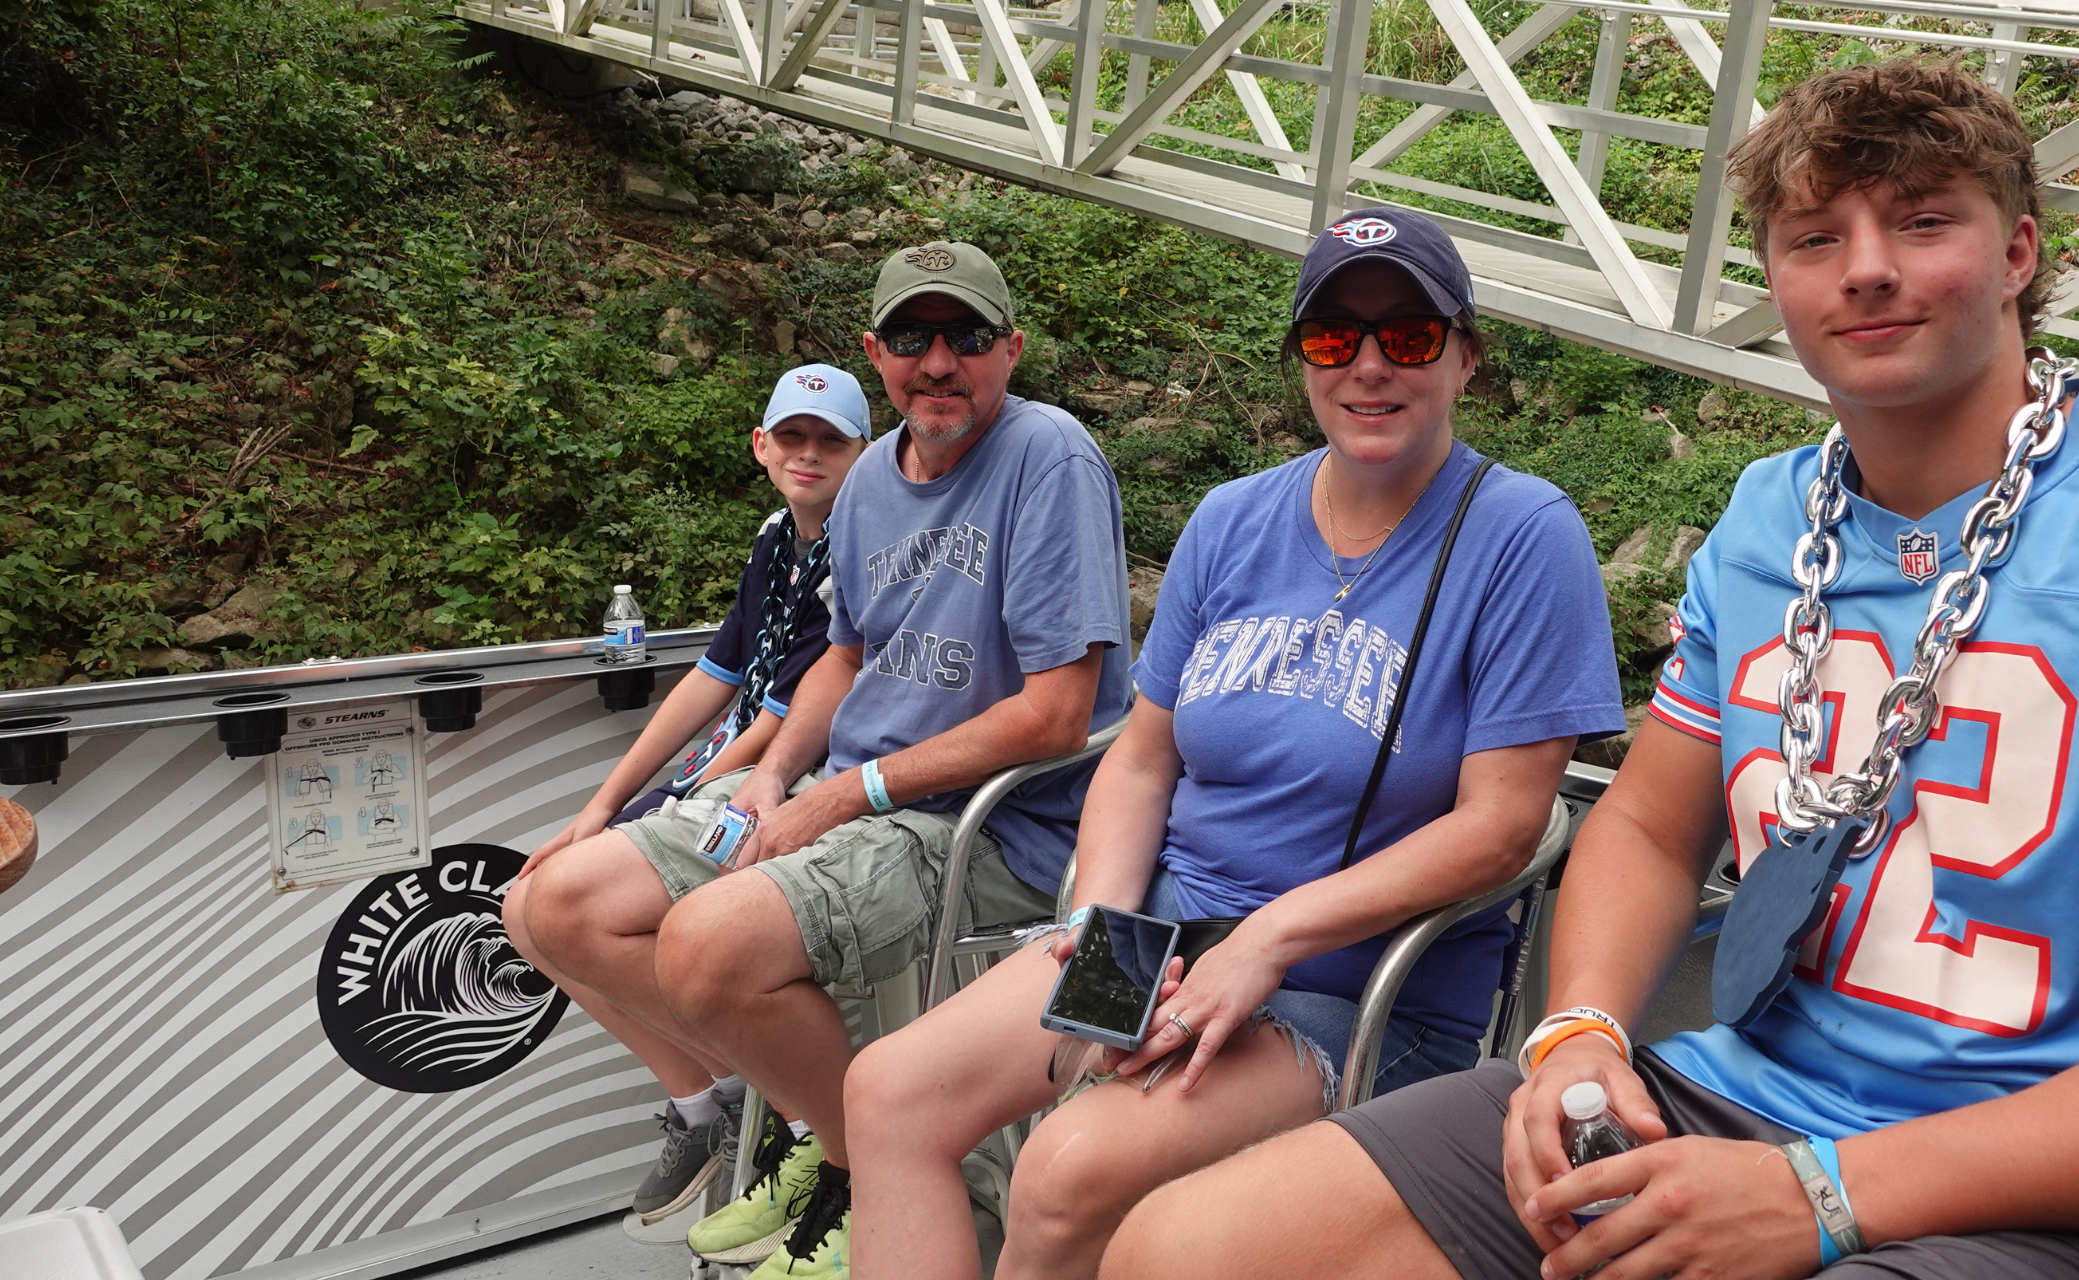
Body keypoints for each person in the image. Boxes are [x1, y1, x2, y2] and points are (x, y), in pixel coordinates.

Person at [1107, 60, 2079, 1280]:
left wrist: (1825, 1195)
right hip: (1739, 1101)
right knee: (1181, 1249)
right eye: (1816, 238)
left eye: (1922, 222)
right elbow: (1652, 829)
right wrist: (1579, 1034)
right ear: (1775, 278)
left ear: (2018, 254)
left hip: (2054, 1195)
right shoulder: (1771, 522)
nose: (1871, 272)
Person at [832, 207, 1625, 1280]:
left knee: (1065, 1163)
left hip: (1358, 986)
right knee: (887, 1090)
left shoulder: (1524, 534)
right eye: (1335, 338)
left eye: (1411, 336)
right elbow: (1144, 756)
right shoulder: (1231, 519)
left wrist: (1272, 938)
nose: (1371, 366)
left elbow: (1503, 824)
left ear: (1466, 356)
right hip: (1166, 933)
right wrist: (1099, 929)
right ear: (1303, 359)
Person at [503, 240, 1133, 1278]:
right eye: (911, 338)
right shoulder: (873, 479)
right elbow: (845, 653)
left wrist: (846, 790)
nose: (939, 361)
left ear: (1009, 350)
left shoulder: (1048, 456)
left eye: (966, 336)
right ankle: (845, 1145)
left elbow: (1059, 715)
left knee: (707, 949)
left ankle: (863, 1164)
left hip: (975, 820)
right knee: (559, 903)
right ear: (874, 352)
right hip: (842, 787)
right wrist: (768, 775)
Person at [512, 364, 869, 1224]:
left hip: (781, 773)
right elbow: (716, 675)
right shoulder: (775, 537)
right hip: (727, 768)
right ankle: (710, 1106)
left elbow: (790, 711)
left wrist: (691, 791)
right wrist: (606, 801)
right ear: (762, 446)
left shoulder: (863, 546)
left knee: (573, 906)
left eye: (831, 441)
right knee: (522, 912)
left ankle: (796, 1108)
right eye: (793, 437)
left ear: (867, 453)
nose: (809, 455)